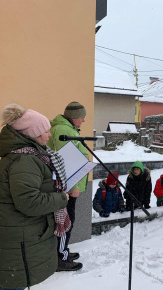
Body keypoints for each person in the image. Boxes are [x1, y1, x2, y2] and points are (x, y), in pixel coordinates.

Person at [0, 104, 69, 289]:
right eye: (46, 131)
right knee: (12, 285)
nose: (49, 135)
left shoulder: (28, 156)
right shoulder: (26, 160)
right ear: (34, 134)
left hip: (21, 233)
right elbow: (28, 201)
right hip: (20, 237)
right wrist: (61, 199)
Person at [47, 101, 87, 271]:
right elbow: (66, 161)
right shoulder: (63, 130)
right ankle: (60, 258)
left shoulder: (67, 128)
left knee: (66, 221)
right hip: (67, 186)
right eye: (82, 117)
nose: (84, 121)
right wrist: (73, 186)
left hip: (67, 184)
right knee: (65, 222)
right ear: (74, 116)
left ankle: (63, 251)